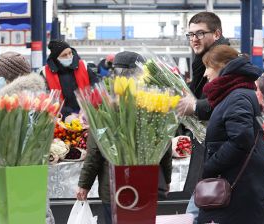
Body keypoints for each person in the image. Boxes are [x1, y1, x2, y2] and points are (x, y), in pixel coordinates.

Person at [76, 51, 173, 224]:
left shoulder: (106, 104)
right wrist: (166, 179)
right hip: (145, 186)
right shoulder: (151, 102)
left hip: (114, 188)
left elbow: (94, 150)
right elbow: (164, 145)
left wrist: (84, 184)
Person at [0, 51, 55, 224]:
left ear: (8, 78)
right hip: (9, 187)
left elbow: (26, 146)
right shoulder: (12, 101)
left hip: (20, 190)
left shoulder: (27, 103)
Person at [197, 45, 264, 223]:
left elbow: (241, 139)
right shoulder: (235, 93)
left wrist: (210, 166)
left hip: (236, 187)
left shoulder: (237, 96)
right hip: (239, 184)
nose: (205, 73)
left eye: (208, 67)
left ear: (222, 66)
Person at [174, 11, 229, 218]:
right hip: (208, 143)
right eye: (190, 34)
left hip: (219, 145)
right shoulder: (201, 60)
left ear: (216, 34)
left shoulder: (223, 61)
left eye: (199, 33)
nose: (194, 39)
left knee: (201, 206)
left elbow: (227, 101)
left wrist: (196, 106)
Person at [40, 40, 99, 118]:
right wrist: (66, 114)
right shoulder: (45, 72)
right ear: (56, 58)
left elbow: (96, 86)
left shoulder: (83, 66)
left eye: (70, 53)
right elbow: (45, 98)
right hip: (59, 117)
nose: (69, 57)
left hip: (86, 114)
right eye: (64, 55)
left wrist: (88, 107)